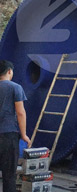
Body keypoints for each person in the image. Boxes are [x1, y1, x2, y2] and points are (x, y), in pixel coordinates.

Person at [0, 60, 31, 192]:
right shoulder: (15, 87)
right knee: (8, 175)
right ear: (9, 71)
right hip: (8, 135)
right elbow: (20, 112)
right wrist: (24, 134)